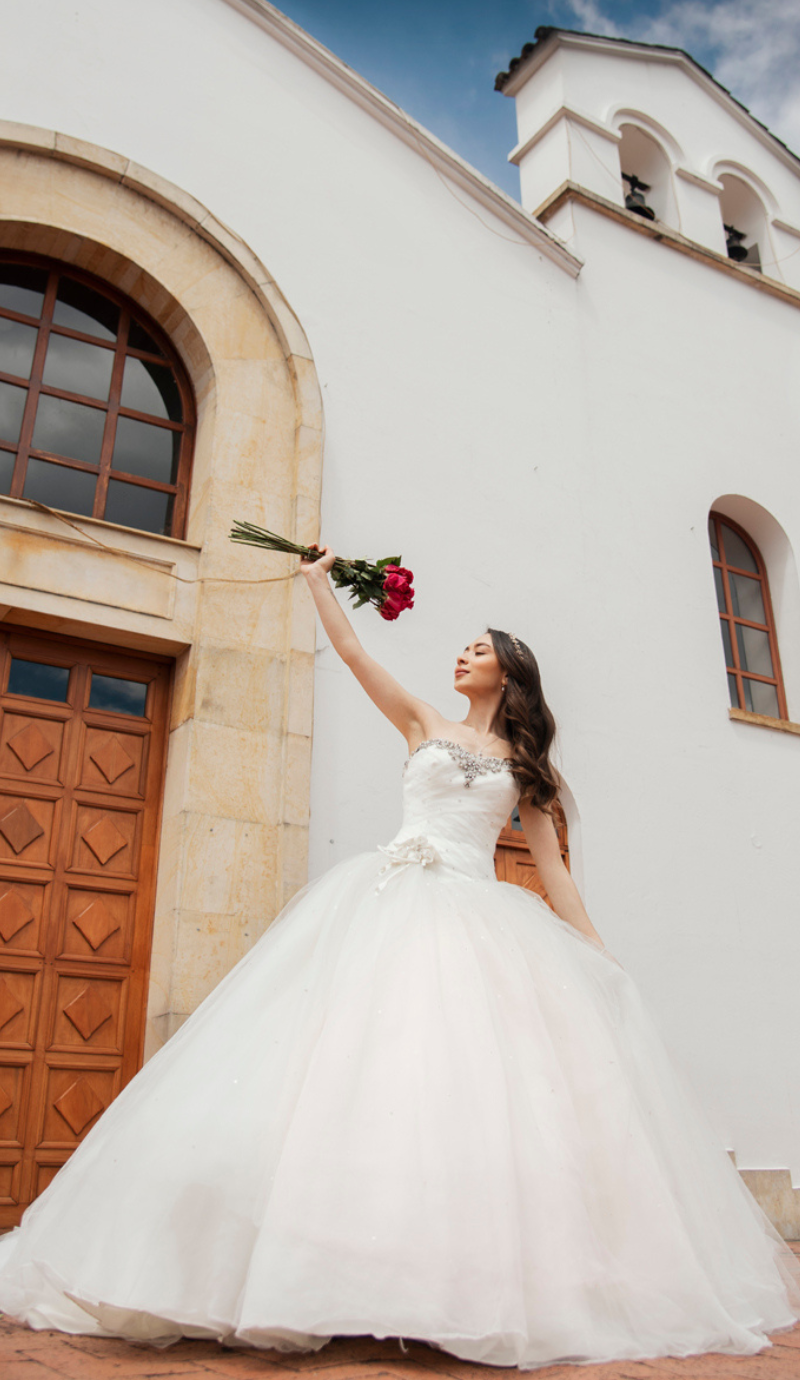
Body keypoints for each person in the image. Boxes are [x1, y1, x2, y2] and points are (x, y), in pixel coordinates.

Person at [0, 545, 798, 1369]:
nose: (462, 654)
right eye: (463, 645)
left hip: (474, 918)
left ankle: (443, 1286)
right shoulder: (423, 721)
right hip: (380, 905)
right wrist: (317, 579)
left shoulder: (527, 770)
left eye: (479, 648)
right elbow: (352, 655)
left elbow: (555, 873)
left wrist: (600, 955)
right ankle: (301, 1272)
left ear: (510, 675)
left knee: (447, 1095)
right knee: (336, 1077)